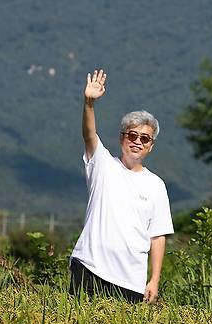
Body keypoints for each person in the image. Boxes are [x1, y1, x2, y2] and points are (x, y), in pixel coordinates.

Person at [69, 69, 174, 304]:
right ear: (122, 138)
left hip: (130, 280)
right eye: (132, 135)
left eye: (144, 138)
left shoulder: (156, 185)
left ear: (151, 146)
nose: (137, 141)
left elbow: (157, 237)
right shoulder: (102, 164)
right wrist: (89, 103)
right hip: (89, 267)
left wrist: (154, 280)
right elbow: (89, 134)